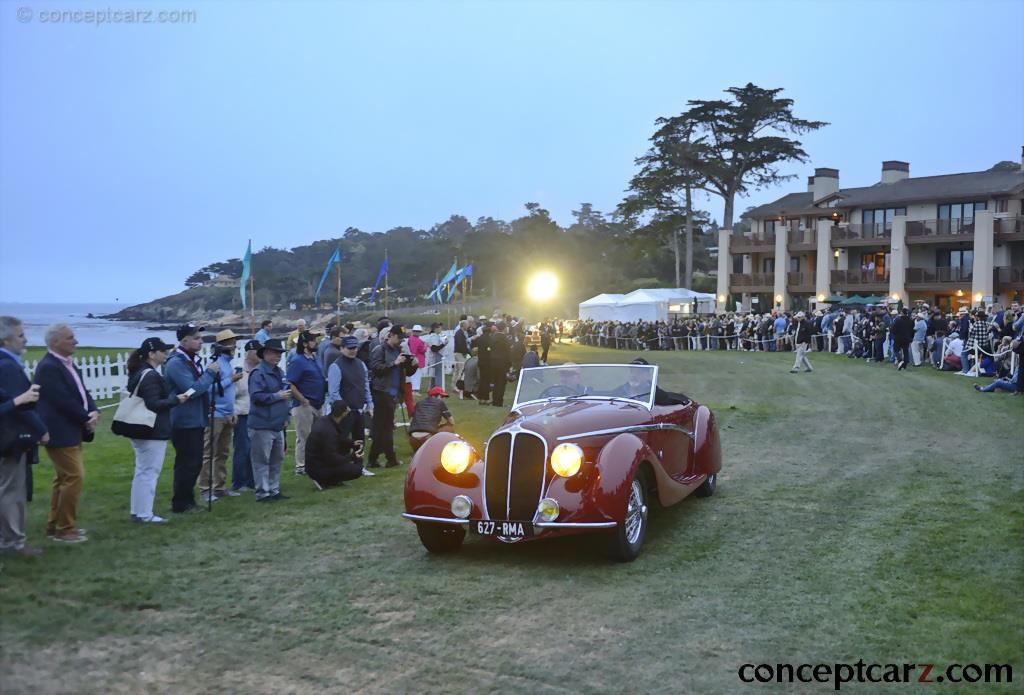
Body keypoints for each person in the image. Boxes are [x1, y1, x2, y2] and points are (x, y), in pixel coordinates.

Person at [33, 323, 99, 543]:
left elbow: (82, 391)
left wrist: (93, 410)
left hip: (72, 428)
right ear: (55, 342)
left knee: (63, 478)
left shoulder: (67, 363)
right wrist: (85, 417)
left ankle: (55, 525)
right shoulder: (49, 367)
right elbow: (62, 400)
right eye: (70, 338)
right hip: (59, 431)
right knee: (74, 476)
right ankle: (65, 529)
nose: (76, 341)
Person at [120, 338, 188, 523]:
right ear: (151, 354)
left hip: (142, 430)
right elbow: (154, 404)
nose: (165, 354)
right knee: (149, 472)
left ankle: (138, 510)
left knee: (142, 470)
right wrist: (176, 400)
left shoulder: (140, 371)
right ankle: (144, 513)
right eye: (162, 351)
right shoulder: (149, 375)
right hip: (151, 430)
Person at [0, 316, 48, 556]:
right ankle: (14, 541)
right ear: (6, 340)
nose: (25, 339)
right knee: (12, 490)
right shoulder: (7, 365)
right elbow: (21, 404)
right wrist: (42, 430)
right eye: (20, 335)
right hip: (9, 438)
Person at [164, 323, 221, 514]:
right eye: (196, 338)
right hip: (184, 420)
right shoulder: (176, 363)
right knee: (187, 462)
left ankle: (187, 500)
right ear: (184, 340)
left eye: (200, 337)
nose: (201, 341)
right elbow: (192, 390)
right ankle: (181, 502)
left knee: (194, 462)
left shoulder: (189, 360)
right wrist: (210, 373)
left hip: (195, 418)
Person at [199, 329, 244, 502]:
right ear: (224, 345)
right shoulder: (215, 365)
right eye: (232, 342)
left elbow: (229, 392)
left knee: (223, 452)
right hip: (215, 414)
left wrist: (232, 411)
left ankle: (219, 486)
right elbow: (208, 389)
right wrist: (230, 380)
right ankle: (205, 488)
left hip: (226, 414)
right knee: (209, 453)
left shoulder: (228, 364)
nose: (235, 345)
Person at [368, 325, 417, 468]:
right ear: (391, 335)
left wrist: (413, 365)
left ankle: (374, 459)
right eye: (399, 338)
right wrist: (394, 363)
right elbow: (376, 369)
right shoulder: (380, 350)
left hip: (393, 394)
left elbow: (406, 373)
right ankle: (390, 459)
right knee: (386, 428)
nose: (401, 341)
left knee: (382, 428)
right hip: (382, 393)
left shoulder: (399, 351)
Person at [248, 339, 291, 501]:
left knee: (277, 459)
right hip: (262, 424)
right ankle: (262, 492)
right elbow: (256, 396)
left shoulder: (279, 372)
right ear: (265, 354)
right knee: (261, 460)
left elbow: (286, 396)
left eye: (279, 353)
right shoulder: (258, 373)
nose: (278, 356)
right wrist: (276, 396)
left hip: (278, 423)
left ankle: (274, 489)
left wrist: (286, 416)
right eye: (274, 353)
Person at [326, 335, 372, 473]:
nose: (353, 350)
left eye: (355, 348)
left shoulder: (361, 364)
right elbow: (333, 392)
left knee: (359, 439)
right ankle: (341, 466)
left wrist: (369, 403)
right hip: (344, 411)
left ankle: (359, 466)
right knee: (343, 440)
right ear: (341, 348)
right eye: (349, 348)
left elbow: (365, 385)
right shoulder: (336, 366)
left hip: (359, 408)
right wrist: (344, 408)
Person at [287, 330, 326, 476]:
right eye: (313, 340)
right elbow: (290, 383)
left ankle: (314, 462)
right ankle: (301, 466)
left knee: (316, 436)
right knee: (304, 437)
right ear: (304, 344)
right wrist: (302, 399)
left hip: (317, 403)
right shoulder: (297, 360)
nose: (316, 342)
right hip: (304, 405)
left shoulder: (314, 358)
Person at [305, 401, 365, 489]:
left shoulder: (326, 421)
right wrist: (352, 457)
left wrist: (351, 443)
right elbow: (331, 457)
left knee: (345, 454)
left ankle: (330, 479)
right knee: (356, 470)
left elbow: (337, 438)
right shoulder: (328, 430)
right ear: (343, 413)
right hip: (318, 468)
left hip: (314, 463)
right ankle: (324, 480)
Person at [230, 339, 260, 493]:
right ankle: (238, 481)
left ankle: (251, 480)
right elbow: (233, 393)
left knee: (254, 449)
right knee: (242, 448)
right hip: (242, 413)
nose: (259, 355)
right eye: (256, 352)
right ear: (248, 352)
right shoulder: (238, 370)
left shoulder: (260, 370)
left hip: (256, 414)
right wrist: (233, 412)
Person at [408, 386, 454, 452]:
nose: (443, 399)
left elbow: (411, 421)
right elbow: (452, 421)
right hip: (428, 439)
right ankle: (445, 450)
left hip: (413, 439)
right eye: (441, 396)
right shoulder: (440, 403)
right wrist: (442, 425)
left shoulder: (419, 403)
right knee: (449, 428)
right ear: (434, 396)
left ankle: (416, 450)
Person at [423, 322, 449, 391]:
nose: (440, 328)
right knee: (438, 374)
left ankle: (431, 388)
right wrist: (444, 344)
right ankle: (438, 389)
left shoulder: (440, 335)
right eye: (438, 327)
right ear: (434, 329)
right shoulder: (432, 337)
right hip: (435, 357)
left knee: (435, 374)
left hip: (440, 356)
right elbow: (434, 349)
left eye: (440, 327)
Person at [452, 320, 471, 397]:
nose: (468, 326)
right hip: (460, 353)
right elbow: (461, 345)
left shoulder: (461, 333)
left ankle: (454, 386)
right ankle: (457, 386)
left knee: (457, 370)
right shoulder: (459, 333)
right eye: (467, 325)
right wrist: (467, 352)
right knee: (460, 370)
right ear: (463, 325)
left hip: (459, 352)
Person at [407, 325, 427, 393]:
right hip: (419, 359)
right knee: (417, 375)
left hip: (412, 358)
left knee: (413, 375)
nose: (418, 333)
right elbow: (422, 350)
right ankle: (415, 390)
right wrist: (425, 346)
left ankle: (412, 389)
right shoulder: (419, 341)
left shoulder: (410, 339)